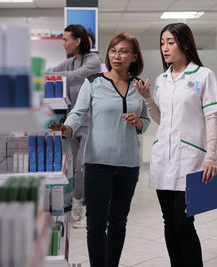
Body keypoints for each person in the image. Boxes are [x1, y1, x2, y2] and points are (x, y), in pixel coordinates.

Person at [49, 32, 150, 267]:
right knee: (95, 225)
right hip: (97, 164)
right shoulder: (93, 81)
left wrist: (139, 122)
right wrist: (67, 127)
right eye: (113, 51)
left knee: (118, 223)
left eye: (124, 51)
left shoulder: (139, 86)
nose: (117, 56)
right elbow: (78, 112)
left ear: (134, 56)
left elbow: (146, 120)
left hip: (128, 166)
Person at [135, 23, 217, 267]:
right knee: (169, 222)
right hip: (164, 157)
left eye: (170, 42)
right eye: (162, 42)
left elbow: (211, 117)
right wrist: (148, 99)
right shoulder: (162, 79)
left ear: (185, 44)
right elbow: (161, 119)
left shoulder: (203, 76)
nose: (165, 48)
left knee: (184, 223)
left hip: (191, 159)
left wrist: (211, 156)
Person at [50, 24, 101, 228]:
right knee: (74, 167)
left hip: (90, 122)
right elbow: (54, 71)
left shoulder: (93, 61)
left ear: (77, 41)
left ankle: (84, 205)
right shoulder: (69, 61)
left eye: (65, 39)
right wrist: (43, 74)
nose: (63, 43)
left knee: (82, 166)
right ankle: (78, 202)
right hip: (72, 123)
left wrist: (50, 76)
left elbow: (73, 77)